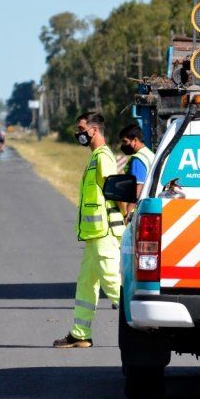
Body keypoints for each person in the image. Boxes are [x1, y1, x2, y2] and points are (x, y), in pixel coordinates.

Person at [53, 112, 125, 348]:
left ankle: (145, 325)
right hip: (94, 234)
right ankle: (80, 334)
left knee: (113, 282)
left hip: (104, 233)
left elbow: (115, 190)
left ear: (94, 130)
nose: (78, 134)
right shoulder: (95, 156)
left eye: (82, 129)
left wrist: (124, 216)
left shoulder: (103, 156)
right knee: (86, 284)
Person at [118, 124, 155, 219]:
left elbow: (138, 186)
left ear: (135, 140)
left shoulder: (138, 159)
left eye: (125, 142)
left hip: (138, 208)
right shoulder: (150, 154)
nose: (123, 145)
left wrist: (129, 211)